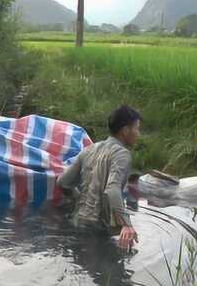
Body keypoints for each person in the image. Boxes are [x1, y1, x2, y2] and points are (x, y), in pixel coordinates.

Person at [57, 104, 141, 249]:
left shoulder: (88, 150)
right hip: (97, 229)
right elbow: (112, 189)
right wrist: (127, 224)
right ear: (125, 130)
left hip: (76, 222)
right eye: (137, 128)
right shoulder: (122, 154)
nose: (138, 133)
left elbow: (62, 182)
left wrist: (78, 199)